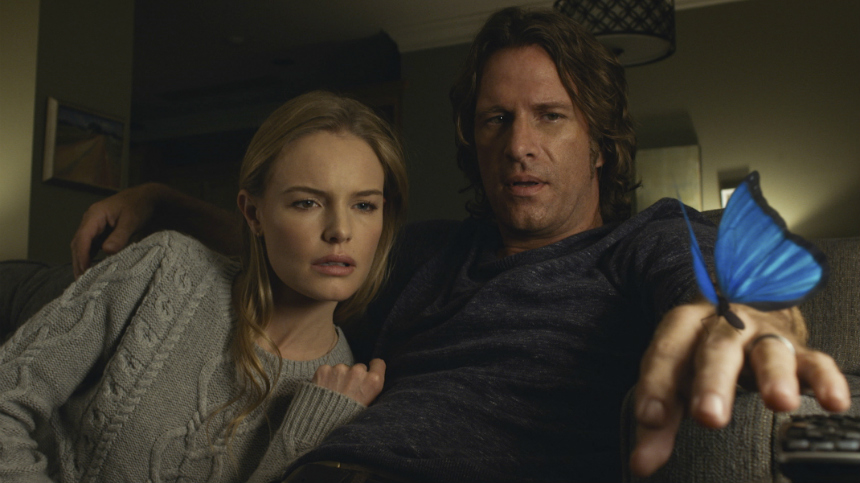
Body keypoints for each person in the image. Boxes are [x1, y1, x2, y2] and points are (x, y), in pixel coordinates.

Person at [64, 6, 850, 482]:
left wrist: (748, 318)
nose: (519, 145)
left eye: (550, 116)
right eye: (494, 119)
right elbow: (297, 239)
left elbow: (715, 285)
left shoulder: (643, 240)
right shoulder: (427, 251)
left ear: (602, 144)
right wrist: (163, 201)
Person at [0, 91, 409, 482]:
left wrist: (309, 428)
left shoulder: (345, 396)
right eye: (307, 202)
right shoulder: (164, 268)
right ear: (254, 214)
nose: (340, 230)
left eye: (364, 205)